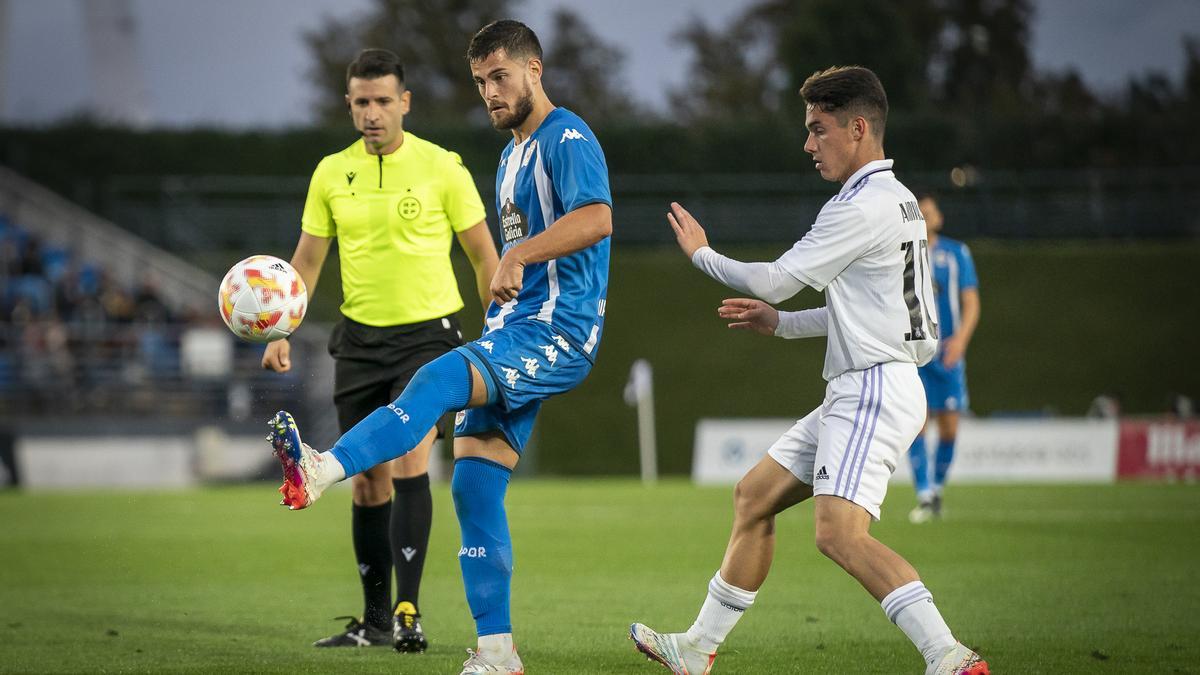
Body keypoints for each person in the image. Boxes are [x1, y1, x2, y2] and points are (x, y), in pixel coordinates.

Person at [268, 20, 612, 675]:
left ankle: (321, 470)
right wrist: (503, 298)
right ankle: (497, 652)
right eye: (481, 80)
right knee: (473, 488)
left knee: (429, 382)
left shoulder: (566, 136)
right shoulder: (512, 153)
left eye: (501, 76)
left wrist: (521, 254)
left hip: (559, 332)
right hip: (516, 331)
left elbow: (597, 216)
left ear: (535, 71)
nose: (490, 91)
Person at [629, 67, 988, 675]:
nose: (808, 143)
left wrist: (702, 256)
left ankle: (949, 656)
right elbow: (881, 314)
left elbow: (776, 278)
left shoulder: (862, 206)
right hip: (872, 381)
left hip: (871, 387)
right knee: (753, 497)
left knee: (838, 535)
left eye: (818, 129)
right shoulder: (897, 199)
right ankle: (696, 649)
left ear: (857, 127)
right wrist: (783, 324)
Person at [261, 48, 499, 651]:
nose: (372, 113)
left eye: (383, 101)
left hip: (429, 336)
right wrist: (282, 329)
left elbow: (482, 254)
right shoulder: (329, 173)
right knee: (367, 482)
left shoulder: (443, 167)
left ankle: (408, 610)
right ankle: (372, 622)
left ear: (405, 103)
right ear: (349, 104)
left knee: (410, 456)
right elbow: (308, 262)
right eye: (362, 102)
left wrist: (500, 322)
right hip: (360, 341)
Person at [906, 193, 980, 523]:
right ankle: (924, 494)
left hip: (948, 353)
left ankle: (936, 489)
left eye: (929, 212)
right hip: (917, 353)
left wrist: (961, 340)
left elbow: (971, 302)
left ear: (939, 218)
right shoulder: (904, 253)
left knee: (949, 428)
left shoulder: (956, 253)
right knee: (917, 425)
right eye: (919, 213)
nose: (925, 217)